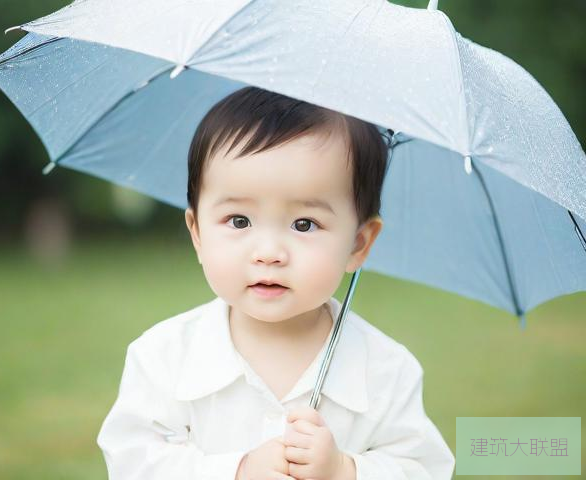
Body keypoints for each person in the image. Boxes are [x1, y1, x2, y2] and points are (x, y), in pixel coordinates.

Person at [97, 86, 456, 479]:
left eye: (305, 224)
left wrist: (344, 471)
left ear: (358, 243)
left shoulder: (387, 371)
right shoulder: (163, 358)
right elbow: (132, 461)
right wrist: (237, 471)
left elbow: (424, 468)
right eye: (239, 221)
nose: (268, 252)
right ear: (197, 232)